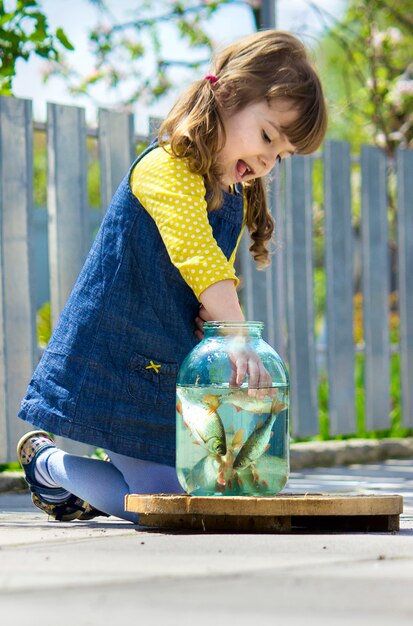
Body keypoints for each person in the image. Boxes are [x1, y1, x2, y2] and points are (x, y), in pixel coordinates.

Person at [17, 30, 327, 523]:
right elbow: (197, 254)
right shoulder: (168, 168)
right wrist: (236, 336)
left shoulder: (230, 192)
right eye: (268, 136)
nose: (270, 160)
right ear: (227, 95)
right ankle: (47, 464)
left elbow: (202, 278)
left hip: (164, 365)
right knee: (168, 506)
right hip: (115, 357)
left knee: (197, 487)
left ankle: (84, 486)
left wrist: (207, 321)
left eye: (282, 154)